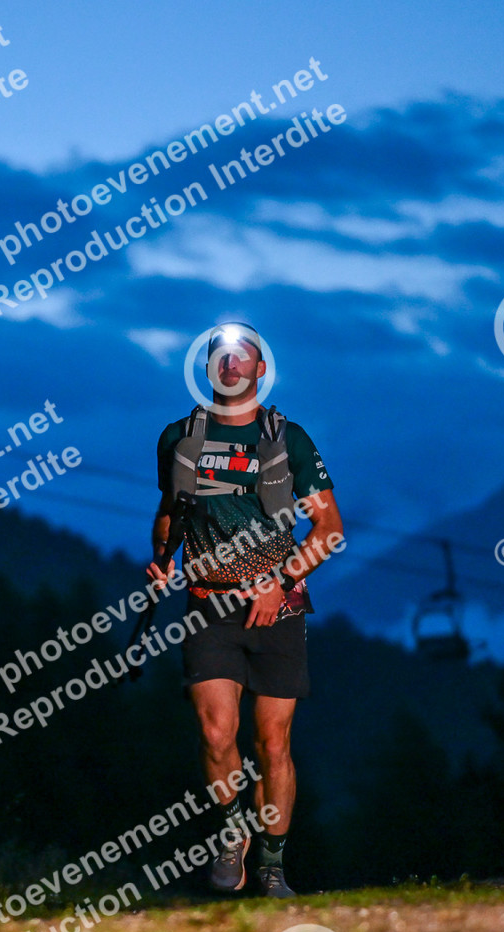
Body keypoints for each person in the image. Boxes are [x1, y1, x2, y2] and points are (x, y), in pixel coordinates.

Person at [146, 322, 342, 897]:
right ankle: (233, 830)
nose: (231, 364)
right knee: (215, 733)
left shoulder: (288, 439)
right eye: (221, 356)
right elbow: (169, 510)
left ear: (260, 368)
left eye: (243, 355)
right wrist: (161, 559)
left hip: (278, 608)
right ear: (209, 368)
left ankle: (273, 865)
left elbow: (328, 528)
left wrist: (281, 582)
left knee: (273, 743)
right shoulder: (180, 437)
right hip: (208, 602)